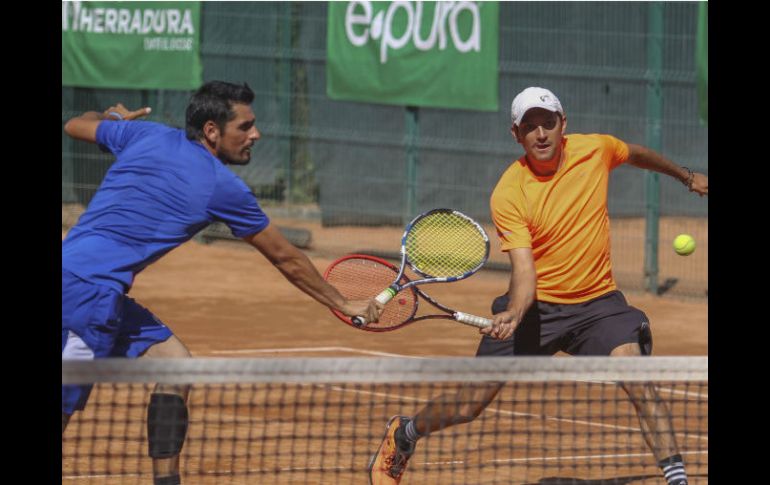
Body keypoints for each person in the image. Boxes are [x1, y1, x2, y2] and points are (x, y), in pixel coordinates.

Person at [368, 87, 707, 485]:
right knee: (469, 405)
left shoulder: (595, 150)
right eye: (530, 127)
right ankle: (405, 434)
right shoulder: (510, 192)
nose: (541, 134)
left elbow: (636, 154)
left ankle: (677, 480)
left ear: (564, 124)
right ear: (516, 134)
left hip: (598, 305)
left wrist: (686, 177)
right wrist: (514, 312)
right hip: (536, 309)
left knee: (638, 378)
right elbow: (524, 269)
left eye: (548, 123)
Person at [61, 81, 382, 485]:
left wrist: (112, 118)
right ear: (212, 131)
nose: (255, 134)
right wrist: (344, 303)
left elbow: (75, 124)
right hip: (86, 297)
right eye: (245, 126)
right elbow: (286, 257)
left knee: (175, 366)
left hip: (82, 282)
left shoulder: (145, 134)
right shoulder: (221, 186)